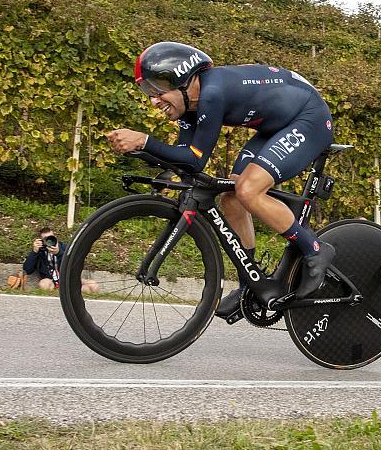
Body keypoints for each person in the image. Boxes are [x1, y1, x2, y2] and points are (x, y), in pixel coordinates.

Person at [107, 42, 336, 316]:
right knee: (232, 199)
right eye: (148, 91)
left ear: (185, 81)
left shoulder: (212, 94)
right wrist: (147, 156)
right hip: (274, 126)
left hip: (307, 118)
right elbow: (182, 159)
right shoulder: (188, 108)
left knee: (248, 190)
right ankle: (250, 284)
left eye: (159, 89)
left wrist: (144, 142)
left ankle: (314, 248)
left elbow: (195, 159)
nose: (154, 100)